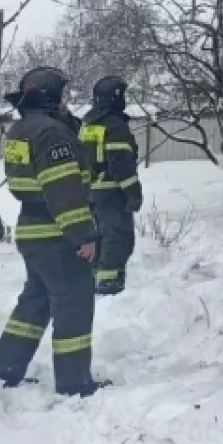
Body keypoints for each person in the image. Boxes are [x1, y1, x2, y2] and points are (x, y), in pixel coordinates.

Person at [0, 67, 109, 397]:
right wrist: (83, 235)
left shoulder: (21, 130)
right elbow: (64, 189)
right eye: (63, 97)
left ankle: (5, 370)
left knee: (35, 303)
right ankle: (75, 384)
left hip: (32, 229)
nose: (67, 102)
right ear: (52, 97)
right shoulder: (52, 134)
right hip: (58, 234)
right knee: (74, 305)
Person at [79, 76, 144, 296]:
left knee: (97, 240)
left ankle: (93, 281)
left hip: (90, 194)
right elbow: (121, 164)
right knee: (117, 239)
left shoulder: (88, 125)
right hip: (112, 195)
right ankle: (109, 287)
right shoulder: (115, 125)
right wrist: (134, 193)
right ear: (115, 97)